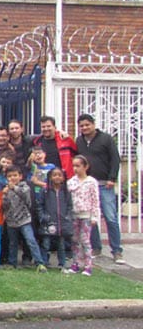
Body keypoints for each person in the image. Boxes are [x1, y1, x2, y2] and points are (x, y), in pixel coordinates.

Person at [75, 113, 124, 264]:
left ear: (93, 124)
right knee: (91, 218)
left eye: (87, 125)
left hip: (104, 184)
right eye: (82, 126)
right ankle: (96, 247)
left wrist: (112, 178)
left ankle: (117, 250)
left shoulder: (106, 139)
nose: (84, 128)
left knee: (110, 217)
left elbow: (115, 159)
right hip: (88, 184)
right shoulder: (80, 140)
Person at [1, 166, 47, 272]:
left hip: (24, 219)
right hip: (11, 221)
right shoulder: (6, 189)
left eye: (15, 175)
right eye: (9, 176)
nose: (12, 178)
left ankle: (39, 262)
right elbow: (4, 206)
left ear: (20, 176)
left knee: (30, 240)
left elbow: (26, 198)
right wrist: (4, 195)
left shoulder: (24, 186)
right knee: (13, 243)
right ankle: (12, 262)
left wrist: (14, 188)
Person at [66, 155, 100, 276]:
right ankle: (75, 263)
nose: (75, 168)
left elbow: (95, 200)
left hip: (86, 215)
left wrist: (95, 216)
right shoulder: (71, 182)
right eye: (74, 166)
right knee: (75, 239)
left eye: (78, 166)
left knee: (85, 240)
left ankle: (88, 265)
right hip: (74, 214)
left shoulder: (91, 182)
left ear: (85, 167)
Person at [37, 168, 73, 270]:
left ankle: (62, 263)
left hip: (61, 222)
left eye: (59, 175)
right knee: (46, 243)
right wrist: (42, 217)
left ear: (63, 178)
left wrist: (67, 217)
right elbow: (39, 205)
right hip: (48, 222)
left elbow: (70, 206)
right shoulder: (45, 191)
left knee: (61, 244)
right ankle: (44, 262)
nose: (57, 177)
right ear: (50, 177)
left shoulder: (66, 192)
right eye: (54, 175)